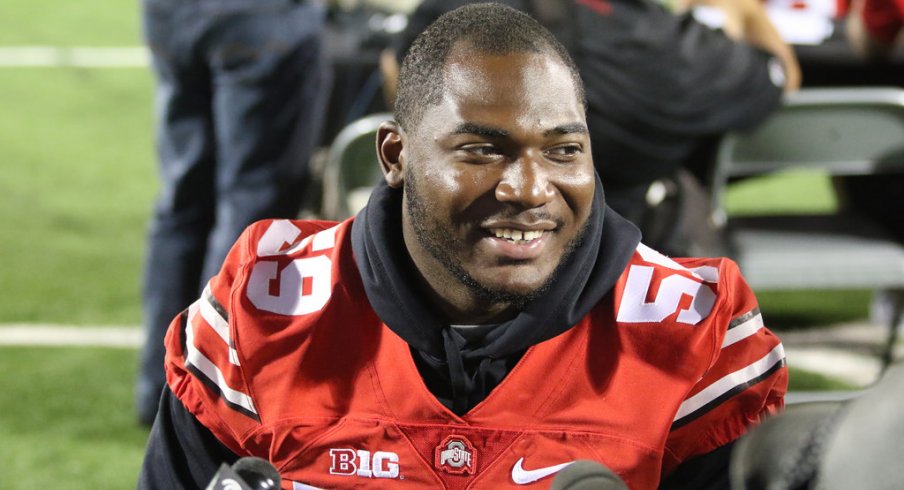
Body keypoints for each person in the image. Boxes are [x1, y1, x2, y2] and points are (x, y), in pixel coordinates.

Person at [137, 4, 787, 488]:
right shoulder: (262, 311)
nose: (531, 189)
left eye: (563, 150)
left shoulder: (691, 331)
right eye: (482, 150)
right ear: (396, 155)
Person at [381, 0, 801, 255]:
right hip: (621, 263)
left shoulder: (451, 17)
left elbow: (396, 72)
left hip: (449, 271)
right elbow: (781, 70)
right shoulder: (667, 46)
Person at [135, 0, 331, 426]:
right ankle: (210, 396)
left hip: (172, 13)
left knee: (183, 199)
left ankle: (160, 385)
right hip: (261, 15)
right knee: (252, 207)